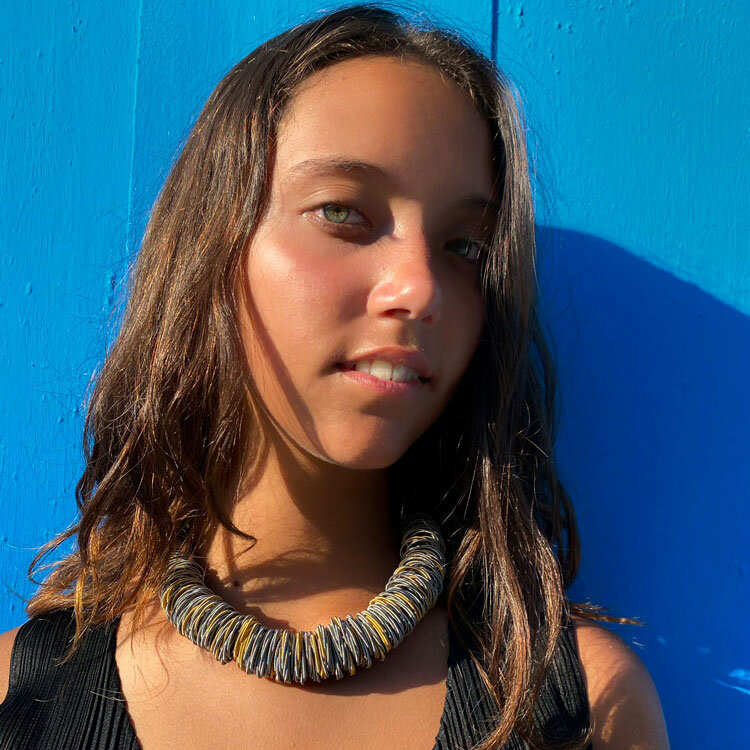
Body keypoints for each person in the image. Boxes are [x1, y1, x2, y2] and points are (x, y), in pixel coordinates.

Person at [0, 3, 669, 749]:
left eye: (464, 247)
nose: (421, 287)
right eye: (344, 213)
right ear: (212, 251)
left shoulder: (585, 705)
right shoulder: (18, 699)